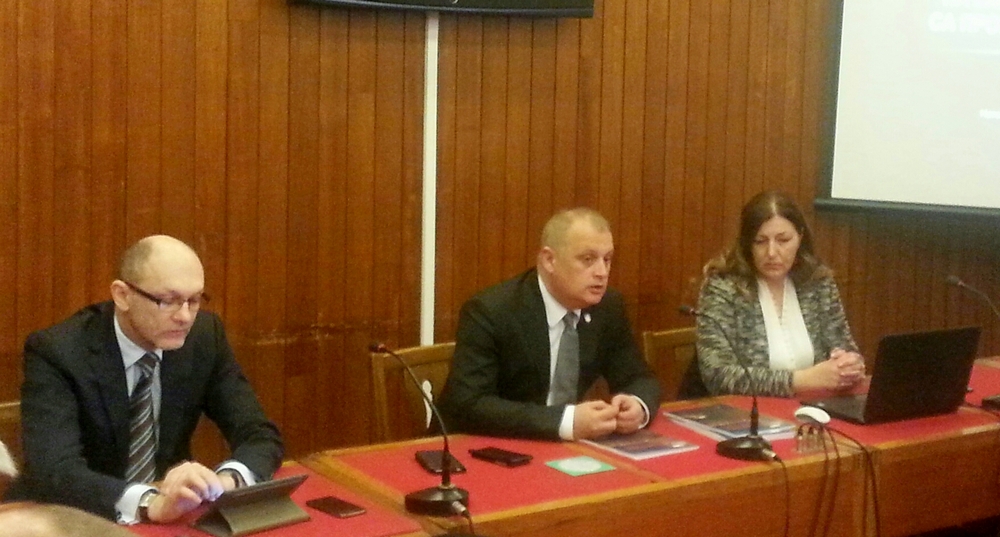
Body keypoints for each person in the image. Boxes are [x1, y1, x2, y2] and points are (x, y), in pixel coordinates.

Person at [7, 235, 283, 524]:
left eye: (194, 300)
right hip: (77, 516)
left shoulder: (203, 337)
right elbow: (55, 471)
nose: (185, 317)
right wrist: (148, 502)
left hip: (170, 515)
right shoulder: (59, 351)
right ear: (122, 295)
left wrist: (225, 482)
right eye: (168, 301)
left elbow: (259, 434)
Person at [438, 208, 661, 441]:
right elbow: (469, 405)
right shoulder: (491, 311)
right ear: (549, 260)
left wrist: (637, 406)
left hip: (564, 448)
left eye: (607, 259)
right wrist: (565, 421)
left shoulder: (608, 307)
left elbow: (639, 377)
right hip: (485, 444)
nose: (602, 272)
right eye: (588, 259)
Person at [695, 190, 866, 397]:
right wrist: (803, 380)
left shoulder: (817, 283)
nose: (771, 253)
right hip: (747, 411)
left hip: (814, 407)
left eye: (783, 240)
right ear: (747, 244)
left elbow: (846, 348)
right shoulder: (723, 288)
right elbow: (718, 376)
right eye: (760, 241)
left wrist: (849, 364)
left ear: (800, 237)